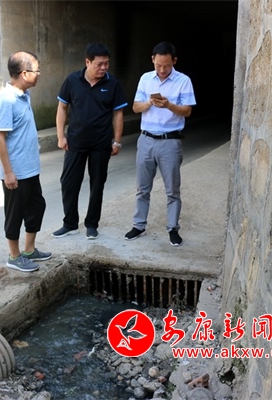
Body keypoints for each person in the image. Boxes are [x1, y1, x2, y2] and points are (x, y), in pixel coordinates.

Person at [52, 43, 128, 240]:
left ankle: (92, 224)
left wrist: (117, 141)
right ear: (87, 62)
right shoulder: (72, 80)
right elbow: (62, 107)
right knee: (69, 182)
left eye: (106, 64)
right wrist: (60, 136)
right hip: (75, 142)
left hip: (101, 144)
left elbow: (118, 114)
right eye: (99, 64)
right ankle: (70, 223)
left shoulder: (112, 83)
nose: (104, 68)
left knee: (97, 184)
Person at [124, 41, 196, 246]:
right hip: (146, 139)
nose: (162, 70)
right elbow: (135, 107)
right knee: (142, 188)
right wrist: (149, 103)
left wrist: (169, 105)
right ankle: (139, 225)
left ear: (174, 61)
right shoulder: (146, 79)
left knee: (172, 190)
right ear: (152, 60)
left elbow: (187, 111)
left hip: (170, 141)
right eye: (158, 65)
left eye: (167, 66)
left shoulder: (183, 81)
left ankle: (173, 228)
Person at [0, 51, 52, 272]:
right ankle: (14, 256)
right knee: (14, 214)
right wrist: (8, 172)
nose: (39, 74)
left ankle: (29, 249)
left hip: (30, 169)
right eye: (37, 70)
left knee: (37, 207)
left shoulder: (24, 95)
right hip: (16, 171)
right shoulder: (6, 100)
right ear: (24, 73)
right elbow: (0, 138)